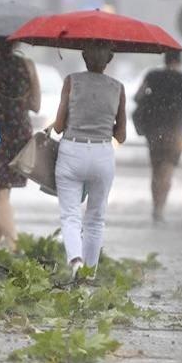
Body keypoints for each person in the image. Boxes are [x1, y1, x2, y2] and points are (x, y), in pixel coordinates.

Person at [51, 42, 126, 279]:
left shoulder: (71, 81)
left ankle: (75, 260)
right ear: (110, 58)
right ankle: (89, 275)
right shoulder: (118, 88)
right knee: (96, 217)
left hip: (72, 151)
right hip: (102, 155)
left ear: (83, 55)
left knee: (70, 215)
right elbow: (121, 136)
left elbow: (59, 126)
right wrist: (104, 121)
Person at [0, 36, 40, 251]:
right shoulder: (27, 66)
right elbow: (36, 105)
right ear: (17, 42)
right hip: (19, 132)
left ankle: (14, 246)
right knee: (2, 193)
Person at [132, 50, 182, 223]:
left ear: (165, 60)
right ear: (179, 61)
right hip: (175, 132)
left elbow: (137, 97)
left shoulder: (153, 76)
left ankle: (155, 205)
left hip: (154, 131)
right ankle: (160, 208)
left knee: (156, 170)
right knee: (167, 170)